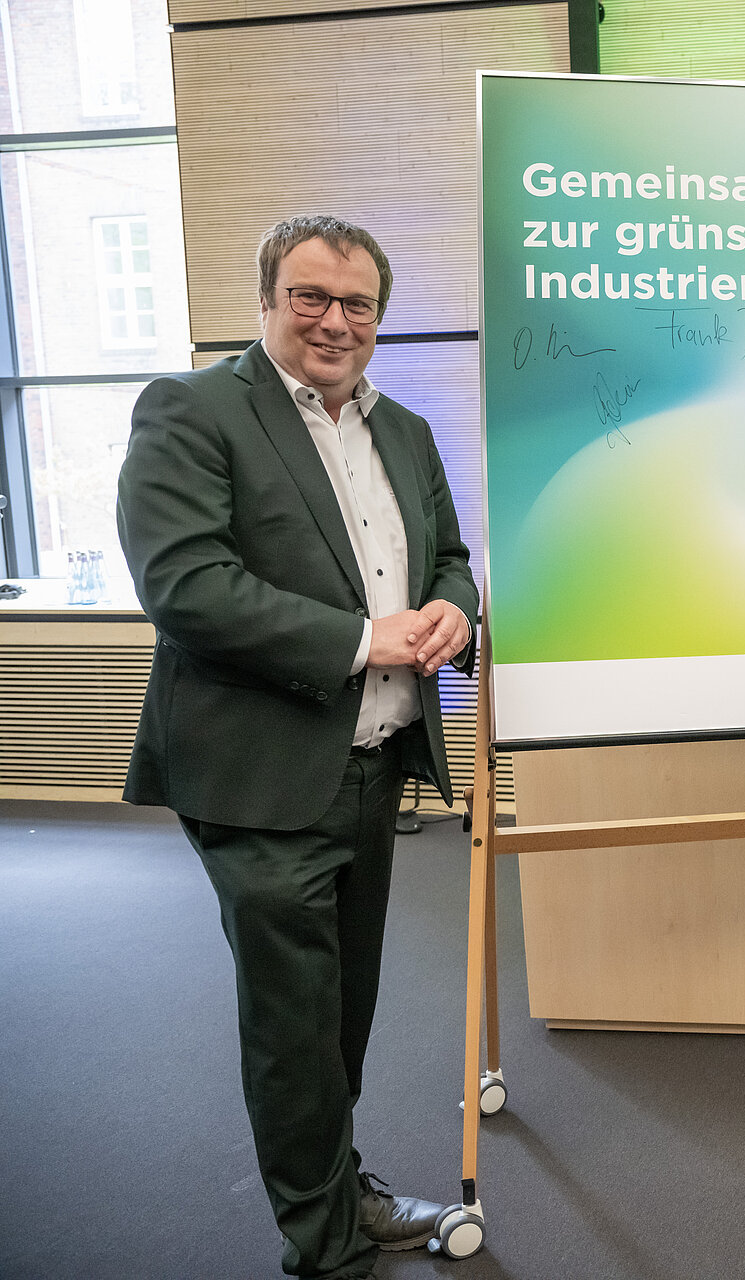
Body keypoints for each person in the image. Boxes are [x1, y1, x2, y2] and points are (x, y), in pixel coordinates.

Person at [118, 215, 478, 1279]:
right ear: (267, 299)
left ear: (379, 316)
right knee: (293, 1019)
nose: (333, 319)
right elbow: (187, 586)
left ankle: (336, 1182)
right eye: (309, 297)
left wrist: (454, 612)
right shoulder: (191, 410)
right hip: (254, 772)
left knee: (340, 1009)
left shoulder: (403, 430)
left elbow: (449, 558)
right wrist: (369, 638)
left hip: (373, 767)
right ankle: (323, 1239)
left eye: (356, 303)